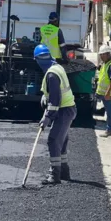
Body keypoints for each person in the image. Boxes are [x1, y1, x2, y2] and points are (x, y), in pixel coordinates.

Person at [35, 44, 77, 185]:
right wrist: (45, 99)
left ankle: (55, 175)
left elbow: (55, 100)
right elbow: (52, 96)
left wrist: (47, 117)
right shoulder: (57, 67)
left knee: (53, 140)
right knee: (62, 141)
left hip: (64, 110)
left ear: (38, 60)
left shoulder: (52, 74)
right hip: (67, 108)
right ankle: (65, 172)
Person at [97, 45, 111, 137]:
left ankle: (109, 130)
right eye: (100, 55)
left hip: (109, 94)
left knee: (110, 113)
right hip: (105, 93)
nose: (101, 56)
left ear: (108, 54)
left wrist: (108, 92)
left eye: (103, 54)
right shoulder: (105, 64)